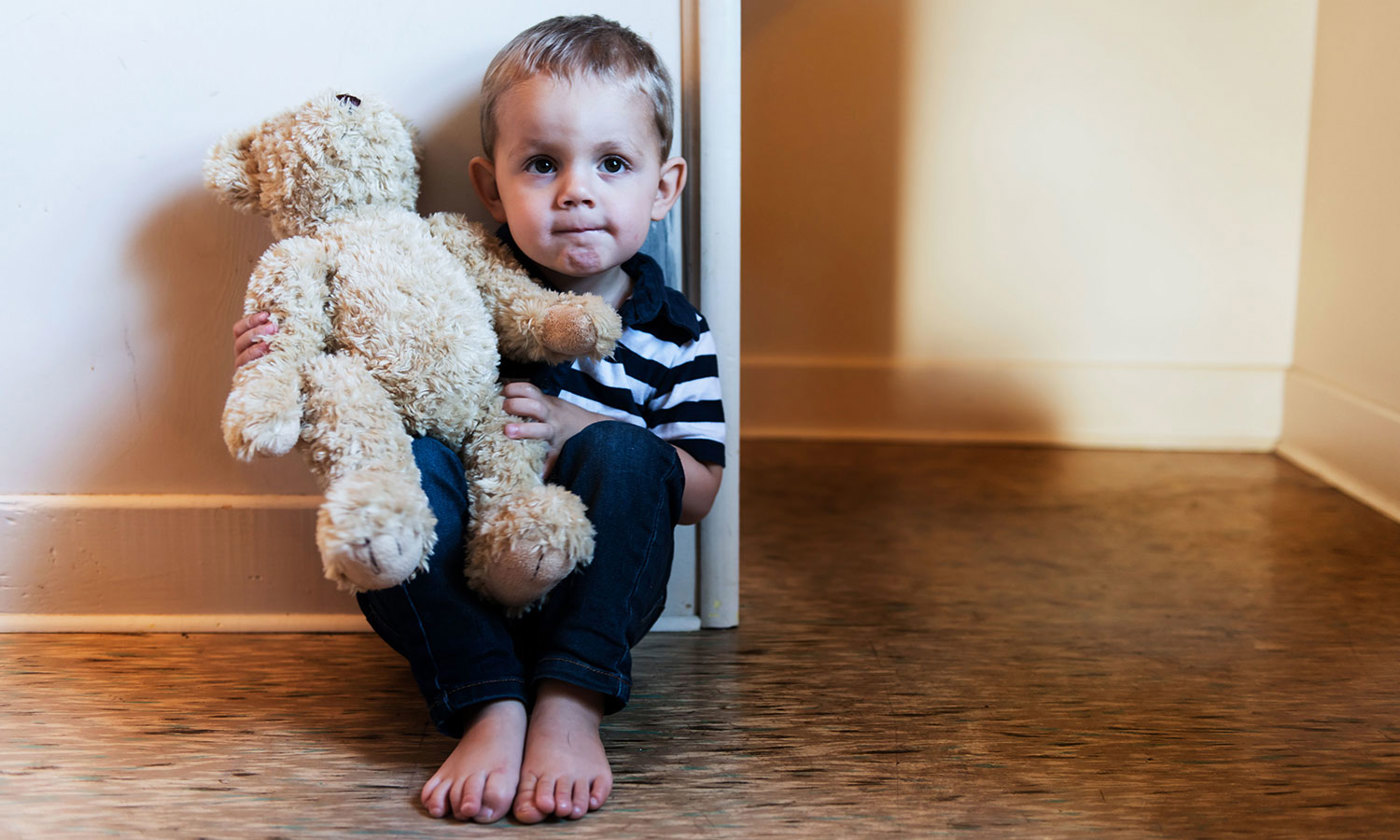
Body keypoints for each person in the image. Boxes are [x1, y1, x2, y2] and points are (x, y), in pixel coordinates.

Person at [230, 15, 725, 824]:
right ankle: (486, 698)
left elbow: (699, 491)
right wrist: (279, 347)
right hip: (468, 582)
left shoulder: (675, 332)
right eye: (541, 164)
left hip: (594, 587)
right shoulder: (456, 284)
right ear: (490, 186)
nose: (576, 190)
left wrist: (575, 429)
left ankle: (572, 697)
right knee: (406, 470)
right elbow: (366, 370)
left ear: (663, 187)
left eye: (612, 163)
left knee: (629, 456)